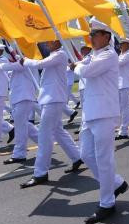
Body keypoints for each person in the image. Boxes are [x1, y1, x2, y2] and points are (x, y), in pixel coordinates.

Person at [71, 19, 129, 224]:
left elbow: (85, 72)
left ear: (106, 36)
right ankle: (117, 183)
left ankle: (107, 203)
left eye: (95, 35)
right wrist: (81, 63)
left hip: (104, 113)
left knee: (104, 160)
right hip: (90, 112)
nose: (91, 38)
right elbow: (85, 68)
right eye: (91, 35)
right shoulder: (93, 55)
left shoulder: (109, 54)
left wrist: (77, 65)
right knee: (86, 155)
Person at [19, 40, 84, 188]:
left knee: (44, 135)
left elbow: (39, 64)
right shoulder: (54, 55)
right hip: (51, 99)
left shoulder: (59, 55)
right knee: (58, 131)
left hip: (53, 99)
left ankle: (40, 173)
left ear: (57, 41)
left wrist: (26, 60)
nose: (47, 43)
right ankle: (77, 157)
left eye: (50, 40)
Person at [0, 51, 39, 164]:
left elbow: (11, 66)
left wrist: (0, 65)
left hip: (24, 97)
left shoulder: (23, 63)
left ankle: (19, 154)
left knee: (20, 127)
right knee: (24, 125)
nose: (9, 59)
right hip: (17, 98)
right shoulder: (16, 66)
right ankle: (43, 141)